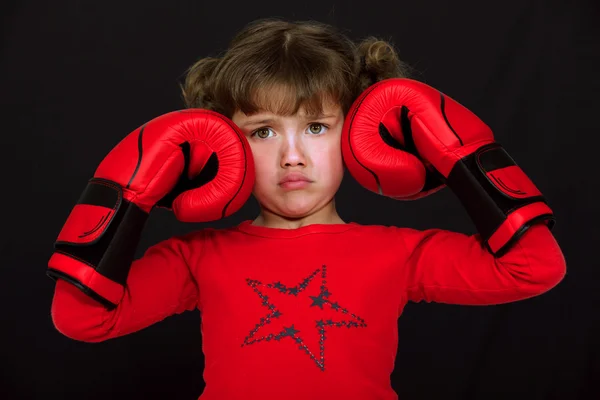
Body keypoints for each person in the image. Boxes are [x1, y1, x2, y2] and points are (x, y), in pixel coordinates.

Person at [47, 18, 566, 400]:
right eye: (263, 131)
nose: (291, 155)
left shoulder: (399, 252)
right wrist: (125, 191)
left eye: (317, 126)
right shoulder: (198, 257)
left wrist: (462, 155)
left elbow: (535, 268)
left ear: (360, 133)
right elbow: (80, 319)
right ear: (221, 143)